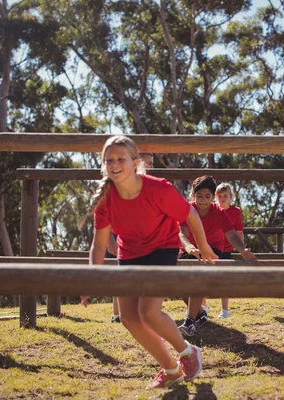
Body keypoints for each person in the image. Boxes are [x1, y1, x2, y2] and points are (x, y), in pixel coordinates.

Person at [82, 135, 219, 389]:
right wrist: (92, 276)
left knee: (148, 312)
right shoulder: (105, 198)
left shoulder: (158, 189)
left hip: (162, 248)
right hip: (129, 253)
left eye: (120, 159)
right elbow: (99, 244)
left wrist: (204, 246)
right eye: (108, 159)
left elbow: (189, 214)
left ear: (135, 163)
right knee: (129, 318)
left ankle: (188, 352)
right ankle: (170, 369)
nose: (114, 164)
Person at [178, 176, 256, 336]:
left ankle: (190, 322)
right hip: (190, 250)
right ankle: (200, 315)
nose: (203, 200)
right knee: (180, 287)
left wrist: (243, 250)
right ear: (193, 194)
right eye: (199, 196)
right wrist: (189, 247)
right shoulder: (187, 209)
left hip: (212, 250)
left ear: (213, 197)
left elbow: (232, 235)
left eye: (207, 196)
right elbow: (181, 233)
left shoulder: (219, 212)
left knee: (197, 278)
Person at [107, 152, 154, 323]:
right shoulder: (122, 183)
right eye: (147, 163)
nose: (151, 166)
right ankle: (117, 314)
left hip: (142, 237)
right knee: (119, 275)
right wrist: (109, 239)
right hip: (119, 235)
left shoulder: (152, 186)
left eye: (152, 163)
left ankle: (140, 312)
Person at [214, 182, 244, 319]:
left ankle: (224, 310)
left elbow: (239, 232)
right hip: (211, 248)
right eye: (219, 196)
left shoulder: (235, 212)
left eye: (225, 195)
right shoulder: (212, 209)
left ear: (231, 196)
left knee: (223, 279)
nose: (222, 198)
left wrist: (242, 249)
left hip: (226, 249)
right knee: (202, 277)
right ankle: (203, 308)